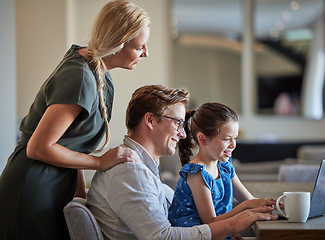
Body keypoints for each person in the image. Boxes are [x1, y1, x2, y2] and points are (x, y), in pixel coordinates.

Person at [0, 1, 150, 239]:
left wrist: (81, 193)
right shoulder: (80, 76)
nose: (145, 53)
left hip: (55, 190)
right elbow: (38, 147)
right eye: (140, 46)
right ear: (119, 41)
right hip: (32, 191)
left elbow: (73, 143)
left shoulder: (99, 73)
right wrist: (100, 162)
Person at [86, 85, 278, 240]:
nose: (183, 133)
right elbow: (162, 237)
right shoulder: (129, 172)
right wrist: (231, 224)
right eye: (177, 122)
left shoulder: (141, 168)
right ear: (151, 121)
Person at [168, 102, 277, 239]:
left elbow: (250, 201)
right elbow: (210, 223)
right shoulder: (196, 174)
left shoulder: (224, 166)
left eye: (235, 138)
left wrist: (279, 206)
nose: (233, 145)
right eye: (226, 139)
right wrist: (243, 208)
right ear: (202, 139)